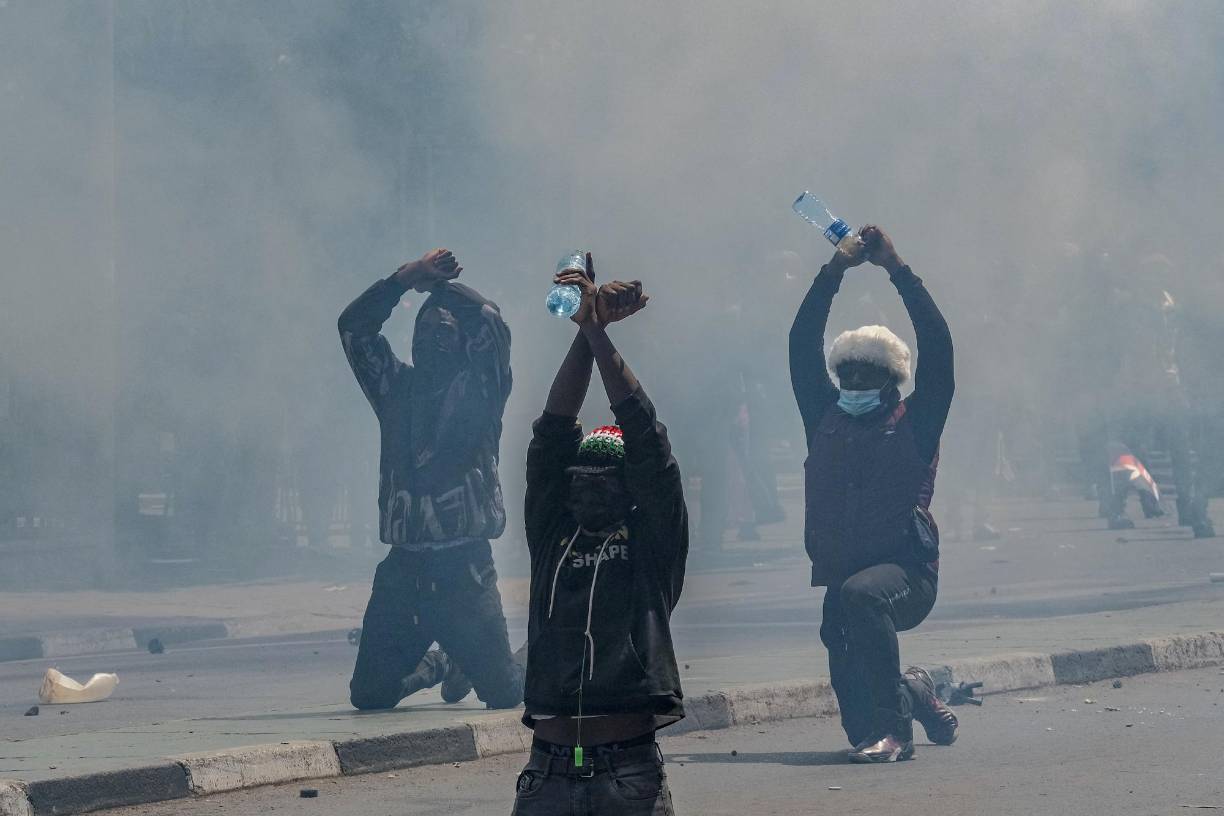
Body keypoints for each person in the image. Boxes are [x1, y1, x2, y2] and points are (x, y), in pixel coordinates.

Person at [513, 256, 687, 815]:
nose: (587, 489)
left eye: (601, 479)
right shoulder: (552, 532)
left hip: (628, 773)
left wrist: (596, 332)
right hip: (546, 770)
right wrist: (586, 329)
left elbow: (644, 434)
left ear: (628, 485)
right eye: (577, 479)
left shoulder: (650, 543)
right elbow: (552, 433)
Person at [789, 225, 959, 763]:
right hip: (845, 577)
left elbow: (939, 347)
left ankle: (897, 734)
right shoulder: (823, 416)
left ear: (893, 381)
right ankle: (911, 694)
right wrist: (834, 269)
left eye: (871, 374)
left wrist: (897, 269)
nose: (857, 382)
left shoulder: (916, 422)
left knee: (860, 596)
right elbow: (801, 341)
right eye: (849, 374)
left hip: (906, 575)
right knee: (849, 689)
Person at [339, 248, 522, 711]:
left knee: (503, 694)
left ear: (462, 341)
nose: (431, 340)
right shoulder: (395, 390)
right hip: (405, 570)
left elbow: (491, 323)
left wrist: (442, 288)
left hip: (464, 570)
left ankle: (526, 652)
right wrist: (404, 278)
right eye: (422, 331)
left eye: (443, 332)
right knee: (369, 695)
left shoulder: (481, 391)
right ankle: (441, 664)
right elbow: (354, 329)